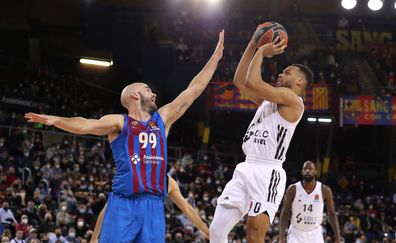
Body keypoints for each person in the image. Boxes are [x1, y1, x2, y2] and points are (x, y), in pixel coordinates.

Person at [25, 30, 224, 243]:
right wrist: (55, 120)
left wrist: (215, 58)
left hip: (154, 206)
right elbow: (85, 125)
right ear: (134, 95)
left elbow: (193, 90)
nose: (154, 93)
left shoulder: (162, 119)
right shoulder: (119, 122)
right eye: (148, 89)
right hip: (123, 204)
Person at [210, 27, 312, 243]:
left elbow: (255, 83)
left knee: (254, 233)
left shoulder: (293, 100)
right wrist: (252, 45)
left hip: (268, 171)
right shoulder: (269, 101)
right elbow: (240, 82)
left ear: (300, 82)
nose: (281, 74)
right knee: (217, 230)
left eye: (287, 72)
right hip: (245, 167)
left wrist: (261, 53)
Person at [90, 176, 209, 243]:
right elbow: (109, 207)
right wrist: (94, 238)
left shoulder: (167, 181)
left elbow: (187, 209)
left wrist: (207, 232)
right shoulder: (130, 175)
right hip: (124, 227)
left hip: (148, 227)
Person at [278, 161, 341, 243]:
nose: (307, 171)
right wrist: (281, 236)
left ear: (315, 172)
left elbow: (332, 214)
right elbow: (285, 213)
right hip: (296, 232)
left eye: (310, 169)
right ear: (302, 172)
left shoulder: (325, 190)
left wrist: (338, 237)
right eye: (305, 169)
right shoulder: (292, 189)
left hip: (315, 233)